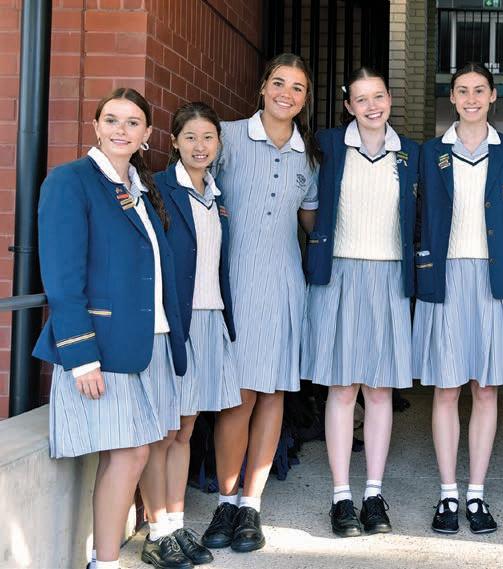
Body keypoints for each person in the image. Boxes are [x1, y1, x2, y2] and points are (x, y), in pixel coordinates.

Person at [34, 88, 188, 569]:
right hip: (103, 347)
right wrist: (81, 354)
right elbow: (62, 276)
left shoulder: (141, 189)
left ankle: (134, 546)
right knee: (129, 454)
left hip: (151, 342)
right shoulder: (71, 181)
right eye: (113, 120)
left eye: (133, 122)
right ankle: (104, 563)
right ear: (96, 126)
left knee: (141, 449)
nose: (122, 130)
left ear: (147, 134)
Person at [200, 53, 320, 553]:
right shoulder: (226, 138)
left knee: (272, 394)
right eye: (279, 83)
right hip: (234, 284)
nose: (286, 94)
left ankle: (252, 504)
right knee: (239, 397)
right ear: (263, 87)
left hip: (285, 285)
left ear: (305, 99)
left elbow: (312, 225)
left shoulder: (308, 158)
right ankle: (226, 502)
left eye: (297, 88)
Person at [301, 67, 420, 537]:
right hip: (340, 274)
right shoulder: (328, 145)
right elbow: (310, 207)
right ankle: (340, 497)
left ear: (389, 99)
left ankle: (373, 493)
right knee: (342, 388)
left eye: (379, 96)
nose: (372, 106)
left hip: (390, 276)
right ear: (348, 105)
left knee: (380, 390)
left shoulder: (411, 153)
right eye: (362, 99)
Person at [412, 62, 503, 535]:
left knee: (485, 388)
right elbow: (417, 213)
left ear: (493, 95)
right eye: (463, 90)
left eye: (480, 90)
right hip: (446, 276)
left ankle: (476, 493)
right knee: (446, 388)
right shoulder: (431, 152)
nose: (472, 98)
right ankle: (447, 493)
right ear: (453, 98)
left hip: (493, 277)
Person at [153, 101, 239, 566]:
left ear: (219, 143)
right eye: (190, 137)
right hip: (177, 322)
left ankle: (177, 523)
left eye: (208, 137)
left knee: (185, 430)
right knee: (165, 430)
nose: (199, 146)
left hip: (210, 318)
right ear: (174, 142)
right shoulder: (159, 189)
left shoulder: (217, 197)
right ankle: (159, 530)